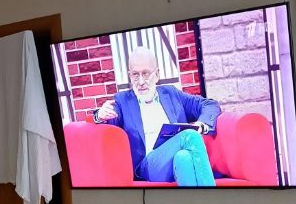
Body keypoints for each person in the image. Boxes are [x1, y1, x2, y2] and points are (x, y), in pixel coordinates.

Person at [93, 46, 221, 186]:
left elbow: (209, 104)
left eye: (146, 74)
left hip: (175, 159)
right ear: (130, 75)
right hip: (148, 167)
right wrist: (99, 115)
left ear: (157, 74)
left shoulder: (171, 94)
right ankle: (213, 197)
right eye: (135, 75)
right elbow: (108, 121)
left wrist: (202, 123)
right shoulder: (122, 101)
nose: (141, 82)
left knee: (183, 158)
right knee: (190, 136)